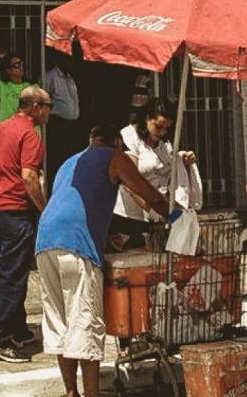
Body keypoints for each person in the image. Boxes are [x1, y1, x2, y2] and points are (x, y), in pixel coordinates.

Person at [35, 123, 171, 397]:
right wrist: (176, 217)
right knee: (85, 323)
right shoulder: (114, 157)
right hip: (76, 245)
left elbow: (86, 207)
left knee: (60, 323)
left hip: (44, 241)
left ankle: (71, 392)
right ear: (116, 143)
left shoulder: (70, 163)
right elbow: (150, 196)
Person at [0, 85, 50, 363]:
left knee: (13, 269)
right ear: (36, 107)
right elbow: (29, 177)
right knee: (13, 276)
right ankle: (1, 337)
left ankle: (18, 328)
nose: (49, 113)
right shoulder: (30, 134)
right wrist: (45, 209)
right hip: (14, 211)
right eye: (48, 107)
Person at [111, 96, 197, 247]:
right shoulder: (129, 137)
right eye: (158, 126)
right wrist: (153, 212)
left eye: (167, 129)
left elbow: (167, 174)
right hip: (130, 217)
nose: (162, 132)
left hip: (157, 213)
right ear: (146, 118)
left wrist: (182, 161)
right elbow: (129, 182)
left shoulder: (164, 143)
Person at [43, 51, 80, 191]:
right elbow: (42, 98)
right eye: (69, 60)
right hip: (58, 125)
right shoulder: (50, 76)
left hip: (71, 126)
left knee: (69, 160)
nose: (72, 63)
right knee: (57, 159)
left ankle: (65, 189)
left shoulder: (70, 78)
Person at [0, 51, 33, 123]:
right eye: (17, 65)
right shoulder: (3, 87)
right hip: (8, 127)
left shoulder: (30, 87)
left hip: (24, 127)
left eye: (21, 64)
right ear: (9, 71)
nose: (21, 67)